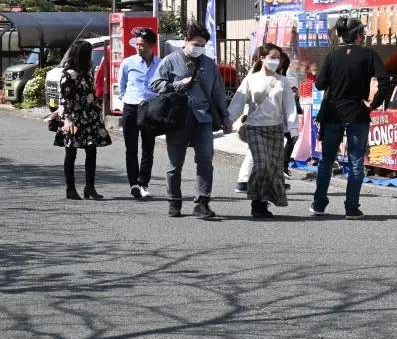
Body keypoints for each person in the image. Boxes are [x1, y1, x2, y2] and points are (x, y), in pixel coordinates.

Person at [150, 23, 233, 219]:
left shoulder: (209, 64)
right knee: (174, 164)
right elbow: (155, 84)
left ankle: (202, 202)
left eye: (202, 45)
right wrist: (179, 84)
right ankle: (174, 201)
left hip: (203, 119)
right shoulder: (170, 61)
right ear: (186, 42)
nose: (199, 48)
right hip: (178, 119)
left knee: (205, 161)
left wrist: (226, 118)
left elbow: (219, 92)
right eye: (196, 44)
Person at [310, 16, 389, 219]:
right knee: (355, 161)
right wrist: (374, 102)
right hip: (358, 112)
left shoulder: (331, 56)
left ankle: (319, 204)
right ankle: (351, 207)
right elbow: (384, 80)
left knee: (327, 160)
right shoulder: (368, 55)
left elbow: (319, 85)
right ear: (359, 36)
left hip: (333, 112)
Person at [229, 45, 299, 217]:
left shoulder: (282, 81)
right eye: (272, 57)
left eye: (278, 58)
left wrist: (292, 128)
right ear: (262, 58)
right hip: (255, 127)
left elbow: (289, 107)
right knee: (260, 164)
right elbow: (238, 101)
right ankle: (255, 200)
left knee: (272, 168)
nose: (275, 61)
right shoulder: (250, 79)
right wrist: (228, 120)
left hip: (275, 129)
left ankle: (262, 203)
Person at [54, 38, 111, 200]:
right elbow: (65, 99)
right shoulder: (68, 75)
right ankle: (70, 188)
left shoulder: (88, 72)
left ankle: (90, 187)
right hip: (72, 117)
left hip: (90, 117)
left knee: (91, 150)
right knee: (71, 152)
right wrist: (67, 120)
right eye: (89, 54)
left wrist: (98, 114)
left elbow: (91, 94)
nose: (91, 57)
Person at [117, 26, 162, 200]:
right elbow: (121, 85)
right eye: (137, 44)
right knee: (131, 148)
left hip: (151, 109)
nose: (138, 47)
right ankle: (133, 183)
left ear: (152, 45)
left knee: (148, 149)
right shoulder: (128, 62)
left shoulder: (161, 64)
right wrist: (127, 99)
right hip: (131, 107)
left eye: (142, 44)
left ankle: (143, 183)